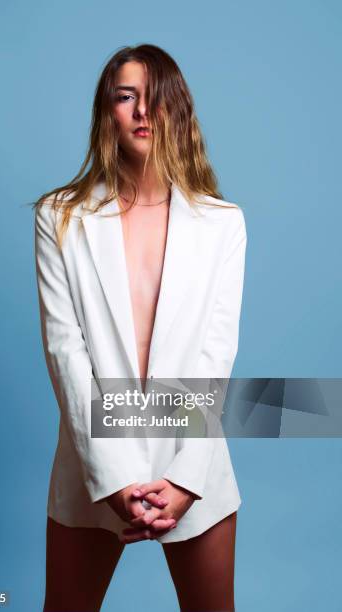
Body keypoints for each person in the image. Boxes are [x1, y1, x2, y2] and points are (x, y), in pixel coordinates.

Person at [34, 43, 247, 612]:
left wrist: (184, 481)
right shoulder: (59, 217)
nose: (141, 113)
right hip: (92, 462)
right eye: (125, 97)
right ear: (107, 111)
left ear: (177, 110)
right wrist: (117, 477)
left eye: (155, 100)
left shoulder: (223, 225)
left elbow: (215, 358)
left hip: (192, 460)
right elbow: (66, 354)